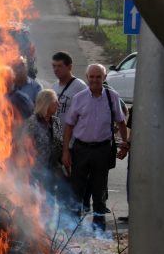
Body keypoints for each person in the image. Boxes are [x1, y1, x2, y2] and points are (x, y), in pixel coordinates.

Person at [61, 64, 129, 234]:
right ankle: (74, 229)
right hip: (81, 149)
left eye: (98, 77)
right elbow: (69, 126)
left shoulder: (112, 97)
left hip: (102, 150)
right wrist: (66, 151)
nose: (94, 80)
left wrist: (125, 144)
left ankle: (98, 230)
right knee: (76, 190)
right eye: (91, 77)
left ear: (104, 78)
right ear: (87, 77)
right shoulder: (79, 98)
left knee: (99, 193)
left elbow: (121, 121)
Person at [51, 52, 87, 209]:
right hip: (57, 144)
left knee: (74, 185)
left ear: (69, 67)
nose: (56, 69)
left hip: (73, 144)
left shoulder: (79, 87)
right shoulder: (53, 87)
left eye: (60, 66)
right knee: (60, 185)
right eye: (54, 66)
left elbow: (85, 116)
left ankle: (75, 219)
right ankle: (63, 220)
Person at [25, 89, 61, 199]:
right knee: (37, 199)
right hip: (37, 170)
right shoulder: (32, 122)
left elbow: (60, 143)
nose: (58, 104)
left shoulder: (56, 121)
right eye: (55, 101)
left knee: (51, 200)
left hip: (53, 170)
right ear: (47, 103)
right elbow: (26, 147)